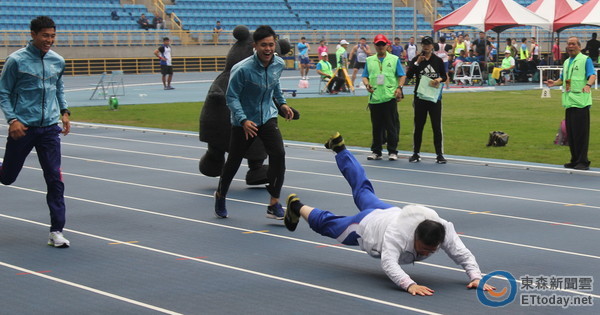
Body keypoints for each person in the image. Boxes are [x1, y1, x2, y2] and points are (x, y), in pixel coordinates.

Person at [283, 133, 496, 296]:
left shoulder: (443, 229)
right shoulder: (397, 236)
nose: (426, 253)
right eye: (423, 249)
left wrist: (476, 276)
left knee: (363, 189)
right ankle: (297, 207)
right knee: (327, 225)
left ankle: (341, 150)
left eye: (433, 249)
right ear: (414, 237)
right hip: (368, 225)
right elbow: (389, 264)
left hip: (389, 212)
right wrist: (410, 284)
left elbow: (462, 253)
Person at [0, 16, 71, 248]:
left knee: (54, 178)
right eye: (45, 36)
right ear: (33, 34)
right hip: (24, 127)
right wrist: (12, 120)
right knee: (8, 177)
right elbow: (3, 92)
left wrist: (64, 111)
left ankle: (56, 231)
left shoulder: (57, 60)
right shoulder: (16, 61)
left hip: (49, 128)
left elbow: (58, 87)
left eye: (52, 36)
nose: (49, 40)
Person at [214, 25, 295, 219]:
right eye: (263, 45)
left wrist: (282, 104)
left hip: (267, 116)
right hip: (244, 121)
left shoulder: (278, 63)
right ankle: (221, 194)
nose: (268, 49)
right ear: (255, 46)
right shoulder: (242, 69)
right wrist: (243, 120)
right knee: (233, 162)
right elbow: (231, 97)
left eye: (271, 45)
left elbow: (275, 84)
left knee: (279, 154)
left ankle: (274, 203)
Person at [547, 36, 596, 171]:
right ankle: (574, 159)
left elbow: (592, 75)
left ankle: (583, 161)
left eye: (573, 44)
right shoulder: (567, 62)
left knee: (581, 134)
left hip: (581, 102)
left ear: (579, 46)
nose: (570, 46)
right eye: (569, 44)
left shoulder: (585, 60)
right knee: (572, 134)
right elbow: (563, 80)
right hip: (569, 102)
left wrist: (588, 85)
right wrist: (554, 83)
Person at [361, 34, 406, 161]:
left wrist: (399, 88)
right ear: (374, 46)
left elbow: (402, 75)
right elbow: (365, 76)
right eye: (378, 44)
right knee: (376, 127)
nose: (380, 47)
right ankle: (376, 151)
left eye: (382, 44)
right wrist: (366, 84)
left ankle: (392, 151)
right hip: (375, 97)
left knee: (391, 125)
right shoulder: (369, 60)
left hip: (389, 97)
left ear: (387, 45)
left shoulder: (394, 59)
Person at [406, 36, 448, 164]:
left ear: (432, 46)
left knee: (436, 126)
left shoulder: (438, 60)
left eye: (428, 44)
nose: (426, 46)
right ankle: (416, 153)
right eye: (424, 44)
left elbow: (445, 76)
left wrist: (438, 80)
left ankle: (439, 154)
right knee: (418, 126)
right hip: (420, 98)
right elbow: (408, 76)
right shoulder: (416, 59)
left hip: (434, 98)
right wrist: (417, 62)